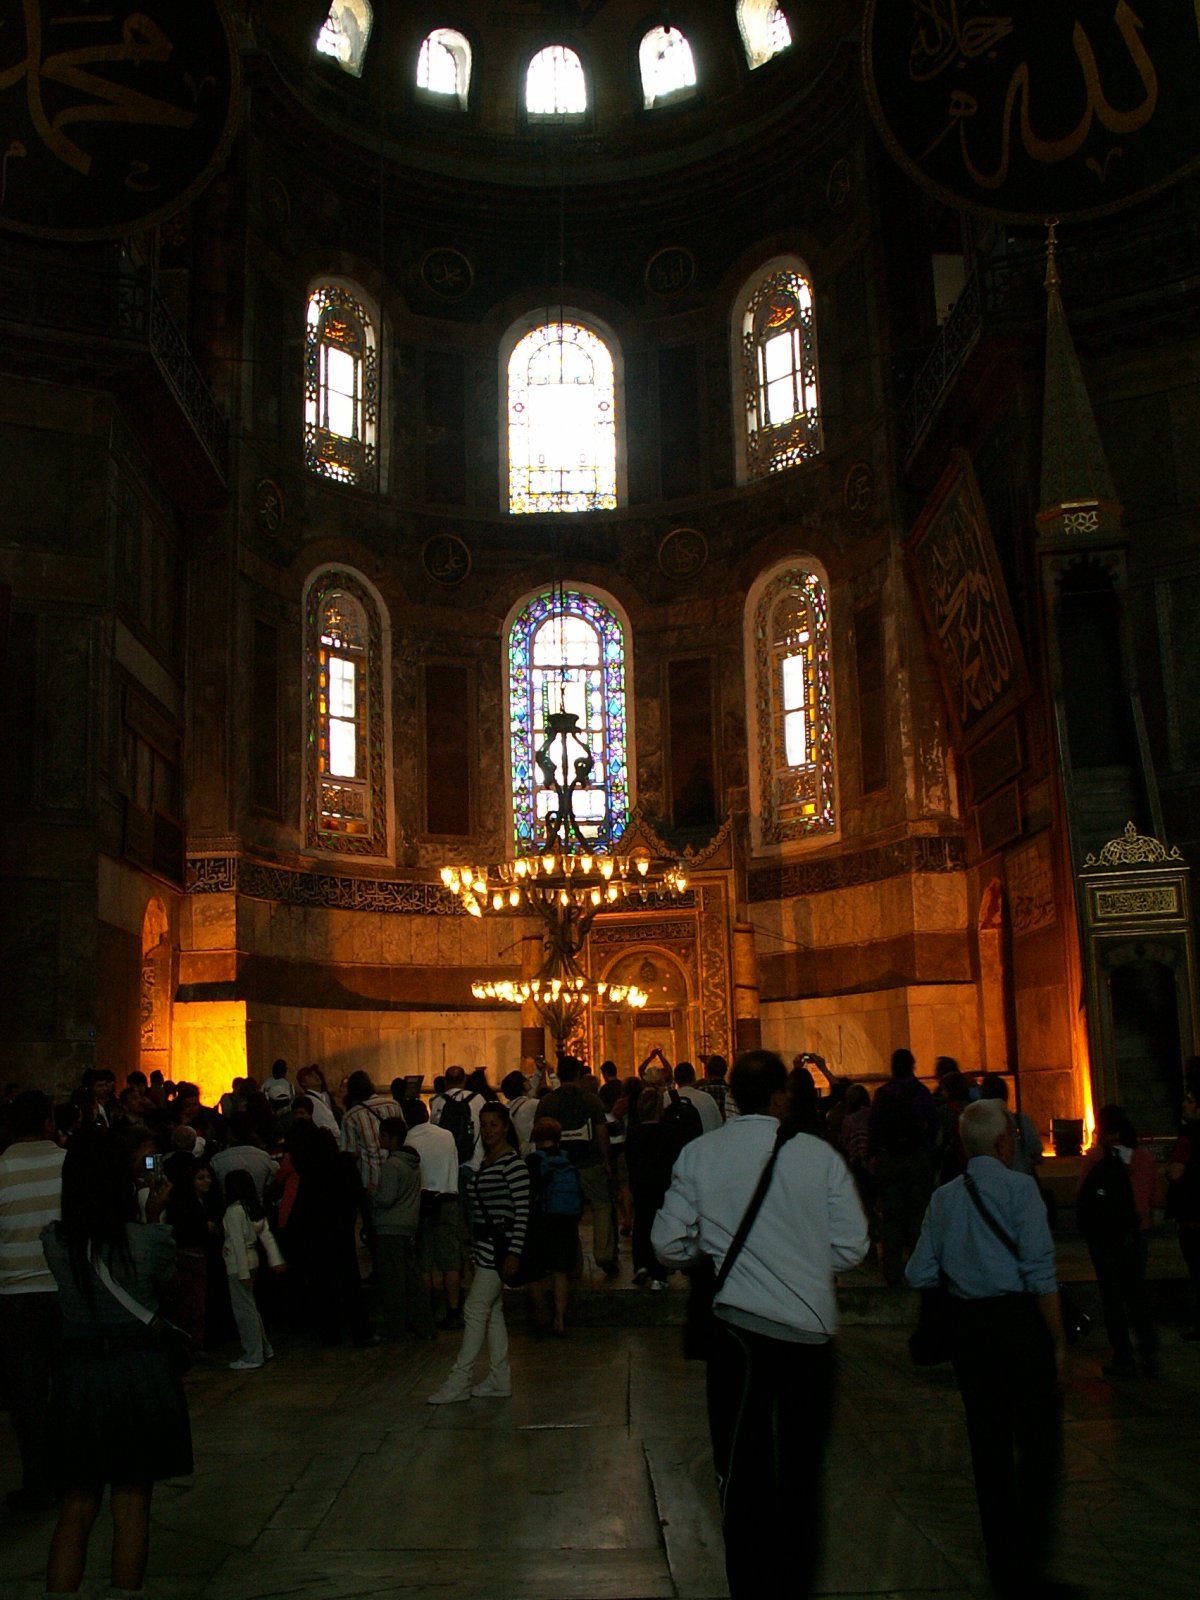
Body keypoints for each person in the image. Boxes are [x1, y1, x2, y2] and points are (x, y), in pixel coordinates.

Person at [652, 1050, 869, 1600]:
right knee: (801, 1472)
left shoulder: (700, 1154)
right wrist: (800, 1258)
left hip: (738, 1338)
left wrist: (715, 1253)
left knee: (741, 1471)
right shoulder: (816, 1156)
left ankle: (750, 1588)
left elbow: (667, 1243)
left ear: (733, 1096)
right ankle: (795, 1586)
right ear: (779, 1095)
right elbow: (852, 1246)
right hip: (808, 1334)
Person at [906, 1098, 1072, 1600]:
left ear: (962, 1146)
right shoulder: (1020, 1189)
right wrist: (1058, 1341)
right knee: (1038, 1444)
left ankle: (1002, 1561)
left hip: (970, 1331)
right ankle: (1029, 1559)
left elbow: (919, 1271)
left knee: (989, 1447)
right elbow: (1040, 1273)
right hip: (1018, 1325)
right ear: (1003, 1143)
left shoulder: (943, 1199)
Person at [40, 1128, 192, 1598]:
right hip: (138, 1371)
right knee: (131, 1503)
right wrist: (154, 1217)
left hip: (78, 1373)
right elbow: (169, 1291)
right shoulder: (150, 1240)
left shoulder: (55, 1242)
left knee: (76, 1505)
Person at [428, 1102, 530, 1404]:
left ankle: (460, 1379)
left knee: (474, 1309)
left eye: (493, 1125)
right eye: (483, 1125)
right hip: (487, 1247)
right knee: (492, 1312)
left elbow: (522, 1211)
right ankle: (499, 1378)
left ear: (506, 1127)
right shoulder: (487, 1161)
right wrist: (473, 1248)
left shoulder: (513, 1164)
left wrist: (514, 1252)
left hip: (502, 1247)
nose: (487, 1131)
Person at [0, 1089, 67, 1510]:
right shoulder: (69, 1165)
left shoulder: (2, 1169)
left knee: (27, 1396)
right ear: (48, 1122)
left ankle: (38, 1480)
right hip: (67, 1292)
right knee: (68, 1386)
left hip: (15, 1296)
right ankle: (74, 1473)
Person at [1076, 1103, 1158, 1378]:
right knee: (1136, 1293)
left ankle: (1123, 1356)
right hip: (1136, 1232)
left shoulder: (1096, 1158)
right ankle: (1148, 1349)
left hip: (1103, 1235)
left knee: (1111, 1296)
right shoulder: (1145, 1157)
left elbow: (1081, 1195)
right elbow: (1155, 1197)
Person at [538, 1056, 617, 1276]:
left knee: (567, 1212)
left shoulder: (548, 1102)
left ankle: (574, 1262)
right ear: (578, 1074)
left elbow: (540, 1134)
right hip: (590, 1162)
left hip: (560, 1165)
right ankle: (603, 1252)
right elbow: (601, 1132)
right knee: (601, 1205)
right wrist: (606, 1160)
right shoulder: (591, 1100)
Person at [868, 1048, 939, 1283]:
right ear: (912, 1066)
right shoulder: (921, 1092)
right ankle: (919, 1270)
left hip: (890, 1159)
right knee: (917, 1216)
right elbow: (933, 1123)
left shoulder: (882, 1094)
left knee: (891, 1218)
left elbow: (874, 1128)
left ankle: (892, 1271)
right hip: (916, 1157)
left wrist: (874, 1155)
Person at [402, 1098, 464, 1330]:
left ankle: (425, 1312)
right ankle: (454, 1310)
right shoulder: (446, 1135)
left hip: (422, 1203)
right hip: (448, 1199)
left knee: (424, 1260)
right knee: (450, 1260)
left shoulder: (408, 1140)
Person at [373, 1118, 435, 1340]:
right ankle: (424, 1324)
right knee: (411, 1278)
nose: (379, 1139)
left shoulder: (392, 1165)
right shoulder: (413, 1164)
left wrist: (372, 1194)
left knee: (392, 1280)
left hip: (390, 1226)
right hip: (408, 1224)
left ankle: (396, 1328)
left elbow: (386, 1198)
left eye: (382, 1135)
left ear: (392, 1138)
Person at [525, 1116, 584, 1335]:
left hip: (542, 1219)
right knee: (560, 1271)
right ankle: (560, 1318)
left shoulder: (533, 1160)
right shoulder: (567, 1158)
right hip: (566, 1219)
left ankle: (543, 1316)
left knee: (536, 1270)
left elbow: (530, 1192)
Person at [222, 1167, 285, 1371]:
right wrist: (275, 1260)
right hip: (254, 1260)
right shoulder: (254, 1209)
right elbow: (267, 1237)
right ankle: (263, 1348)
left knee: (244, 1311)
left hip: (238, 1264)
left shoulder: (233, 1211)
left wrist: (242, 1272)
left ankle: (253, 1354)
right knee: (251, 1308)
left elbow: (237, 1244)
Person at [624, 1088, 674, 1290]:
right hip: (662, 1185)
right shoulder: (667, 1132)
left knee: (642, 1224)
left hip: (640, 1184)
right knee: (659, 1227)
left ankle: (640, 1264)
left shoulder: (634, 1133)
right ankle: (658, 1273)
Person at [1167, 1083, 1200, 1339]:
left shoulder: (1187, 1138)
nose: (1184, 1105)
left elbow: (1176, 1172)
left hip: (1193, 1216)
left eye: (1189, 1101)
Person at [979, 1074, 1044, 1177]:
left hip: (990, 1179)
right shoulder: (1021, 1120)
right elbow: (1036, 1153)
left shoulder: (978, 1124)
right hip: (1020, 1176)